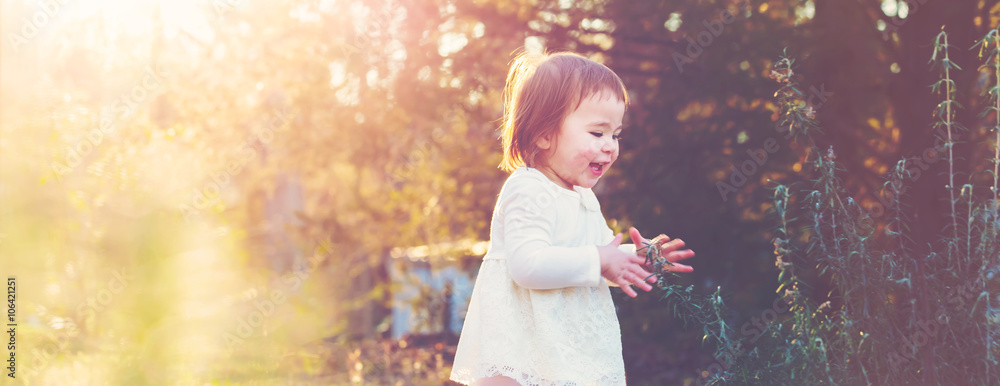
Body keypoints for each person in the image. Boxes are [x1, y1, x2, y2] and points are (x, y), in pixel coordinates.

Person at [449, 51, 696, 386]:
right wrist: (599, 258)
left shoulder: (583, 198)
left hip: (569, 348)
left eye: (616, 134)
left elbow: (601, 257)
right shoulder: (528, 189)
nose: (610, 146)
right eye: (597, 133)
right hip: (524, 352)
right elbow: (528, 266)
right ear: (543, 134)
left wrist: (638, 257)